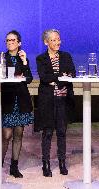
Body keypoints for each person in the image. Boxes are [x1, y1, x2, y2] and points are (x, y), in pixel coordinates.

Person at [0, 30, 34, 180]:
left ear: (19, 43)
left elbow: (28, 79)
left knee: (19, 134)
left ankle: (14, 167)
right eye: (8, 40)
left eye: (13, 40)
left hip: (21, 100)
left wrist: (25, 62)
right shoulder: (1, 58)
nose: (10, 43)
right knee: (6, 135)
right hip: (8, 100)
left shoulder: (23, 58)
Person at [35, 29, 76, 177]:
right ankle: (45, 163)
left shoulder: (66, 56)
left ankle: (62, 162)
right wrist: (61, 76)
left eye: (58, 39)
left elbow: (72, 73)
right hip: (47, 100)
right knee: (47, 132)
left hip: (63, 99)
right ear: (46, 42)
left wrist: (56, 78)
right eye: (53, 40)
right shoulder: (41, 59)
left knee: (62, 132)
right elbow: (44, 77)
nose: (57, 42)